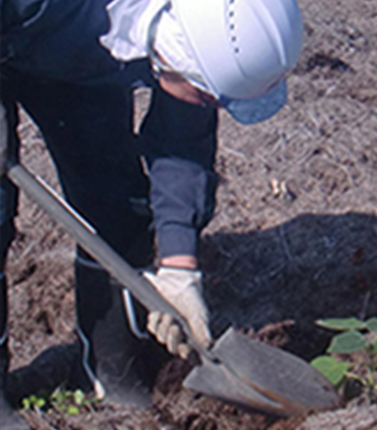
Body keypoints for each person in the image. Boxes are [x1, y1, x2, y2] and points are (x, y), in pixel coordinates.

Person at [0, 0, 303, 428]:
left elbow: (182, 145)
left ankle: (110, 373)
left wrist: (180, 270)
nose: (208, 106)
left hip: (78, 55)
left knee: (115, 202)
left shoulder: (194, 25)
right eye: (206, 97)